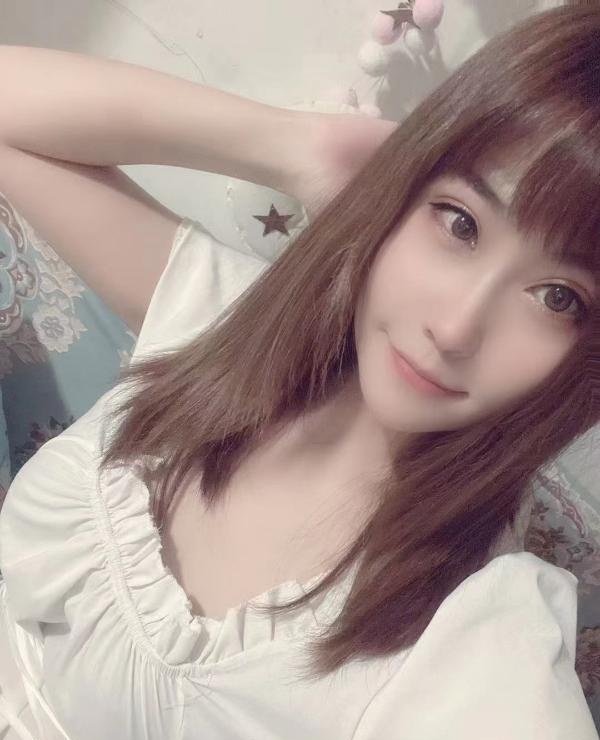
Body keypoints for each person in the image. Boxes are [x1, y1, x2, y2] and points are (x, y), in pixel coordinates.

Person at [0, 2, 598, 738]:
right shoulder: (227, 317)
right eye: (460, 222)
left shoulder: (477, 640)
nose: (453, 329)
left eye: (558, 297)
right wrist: (291, 144)